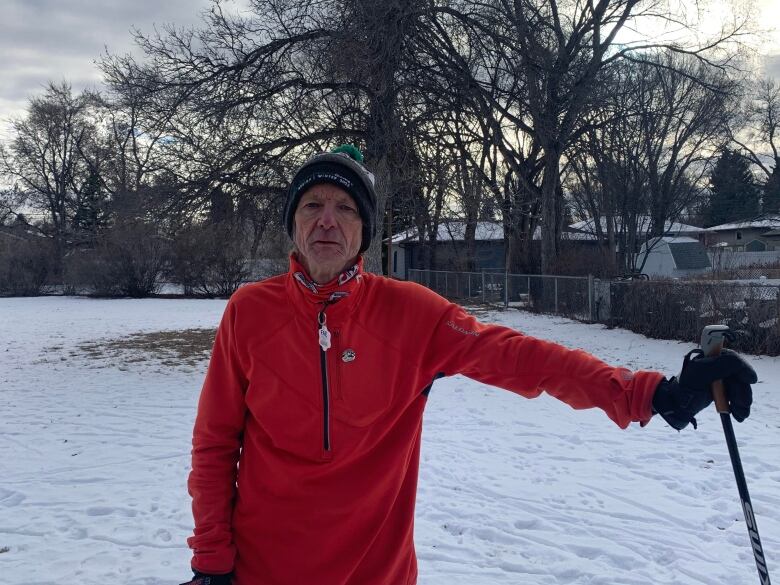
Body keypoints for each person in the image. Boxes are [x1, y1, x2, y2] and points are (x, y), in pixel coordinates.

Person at [181, 145, 756, 585]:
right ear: (294, 223)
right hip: (261, 570)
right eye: (312, 205)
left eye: (345, 208)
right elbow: (215, 442)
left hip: (375, 573)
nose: (327, 219)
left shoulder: (411, 314)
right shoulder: (249, 313)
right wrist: (211, 559)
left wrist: (650, 393)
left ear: (364, 234)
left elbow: (523, 358)